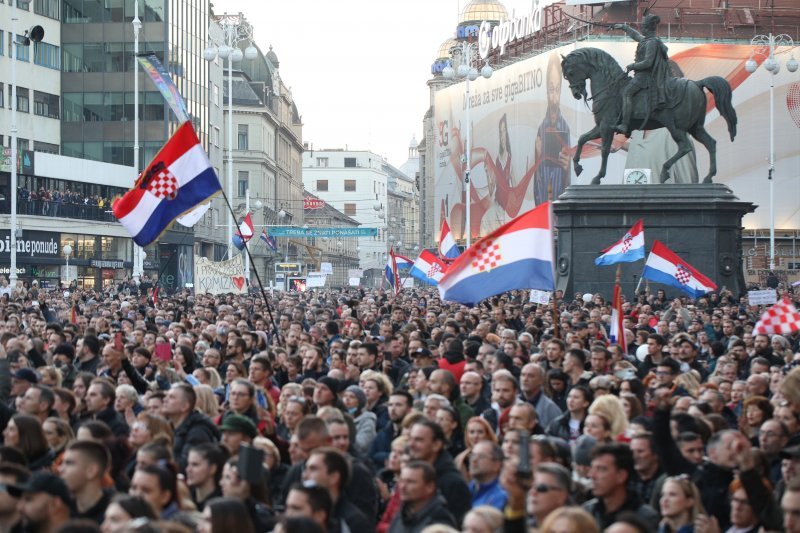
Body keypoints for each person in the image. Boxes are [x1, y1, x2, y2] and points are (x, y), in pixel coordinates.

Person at [612, 14, 670, 136]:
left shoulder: (652, 43)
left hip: (645, 77)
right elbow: (635, 35)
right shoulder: (646, 40)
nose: (641, 28)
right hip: (641, 75)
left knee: (627, 93)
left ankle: (624, 124)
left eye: (643, 26)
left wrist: (632, 66)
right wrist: (623, 27)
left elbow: (648, 63)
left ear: (648, 27)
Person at [407, 420, 471, 524]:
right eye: (410, 439)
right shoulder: (411, 475)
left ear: (436, 445)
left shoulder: (453, 484)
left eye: (418, 440)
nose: (411, 445)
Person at [582, 443, 659, 530]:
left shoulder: (645, 516)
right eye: (592, 468)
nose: (592, 475)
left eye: (601, 469)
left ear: (621, 476)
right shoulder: (587, 512)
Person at [303, 447, 372, 531]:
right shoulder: (304, 514)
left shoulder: (353, 522)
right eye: (306, 469)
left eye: (313, 469)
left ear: (334, 477)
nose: (305, 476)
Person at [534, 52, 571, 205]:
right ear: (546, 91)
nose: (554, 97)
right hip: (543, 214)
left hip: (560, 212)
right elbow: (536, 186)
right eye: (551, 90)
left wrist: (567, 166)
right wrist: (538, 156)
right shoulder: (541, 129)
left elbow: (569, 185)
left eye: (557, 89)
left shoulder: (565, 128)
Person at [162, 383, 220, 472]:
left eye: (171, 397)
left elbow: (185, 467)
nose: (165, 400)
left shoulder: (198, 432)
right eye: (167, 396)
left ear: (184, 406)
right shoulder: (169, 427)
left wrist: (158, 462)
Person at [388, 460, 456, 532]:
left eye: (410, 482)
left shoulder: (440, 520)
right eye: (401, 481)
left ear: (430, 487)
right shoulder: (401, 515)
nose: (402, 487)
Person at [59, 440, 114, 524]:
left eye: (69, 463)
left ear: (91, 471)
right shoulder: (60, 510)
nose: (60, 469)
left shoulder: (112, 516)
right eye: (62, 463)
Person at [468, 440, 506, 510]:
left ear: (497, 465)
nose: (474, 460)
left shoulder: (502, 496)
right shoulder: (466, 490)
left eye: (481, 456)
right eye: (472, 455)